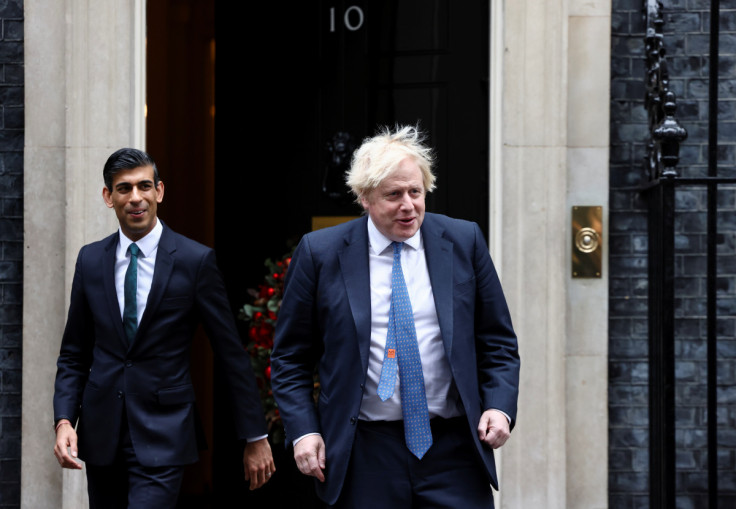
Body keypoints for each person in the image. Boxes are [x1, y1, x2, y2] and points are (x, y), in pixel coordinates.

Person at [271, 125, 520, 508]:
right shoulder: (321, 253)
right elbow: (290, 356)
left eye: (416, 192)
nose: (409, 205)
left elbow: (498, 341)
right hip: (365, 451)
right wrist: (304, 431)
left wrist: (499, 407)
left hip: (454, 450)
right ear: (365, 197)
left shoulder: (463, 241)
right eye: (394, 195)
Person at [53, 148, 275, 508]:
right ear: (109, 198)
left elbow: (230, 354)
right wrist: (64, 420)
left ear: (160, 191)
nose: (135, 197)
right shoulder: (91, 259)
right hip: (101, 432)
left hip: (164, 432)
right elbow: (74, 353)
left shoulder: (194, 261)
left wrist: (254, 435)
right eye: (124, 189)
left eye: (144, 186)